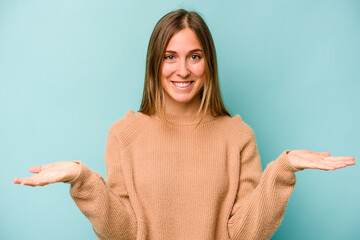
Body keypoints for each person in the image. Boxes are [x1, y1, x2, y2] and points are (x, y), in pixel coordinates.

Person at [13, 9, 355, 240]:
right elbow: (125, 232)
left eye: (194, 56)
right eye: (170, 56)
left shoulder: (237, 136)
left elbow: (244, 233)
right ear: (154, 64)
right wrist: (82, 178)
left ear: (208, 63)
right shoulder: (124, 134)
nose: (183, 70)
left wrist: (282, 170)